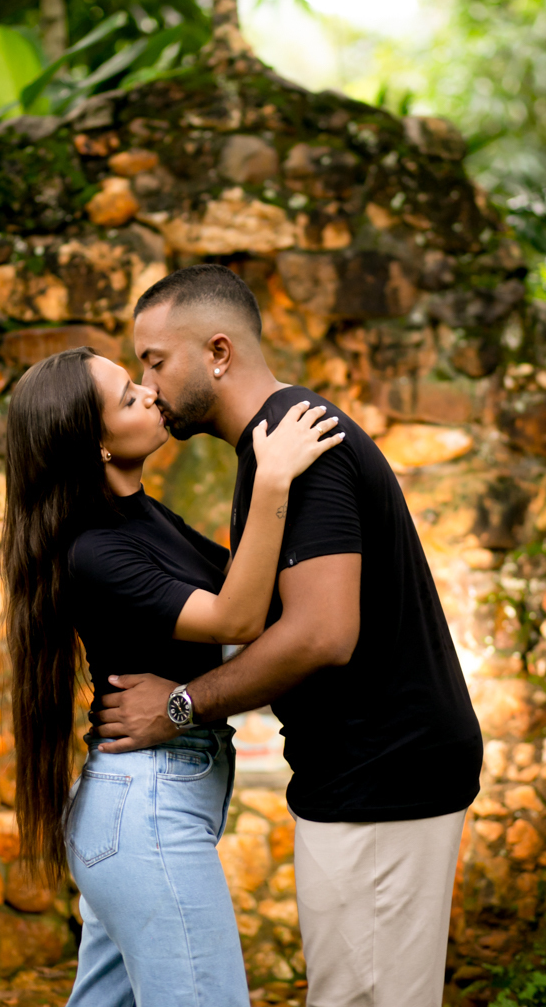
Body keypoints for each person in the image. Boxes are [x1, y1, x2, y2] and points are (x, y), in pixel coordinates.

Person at [91, 264, 484, 1007]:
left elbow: (321, 634)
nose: (149, 384)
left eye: (155, 361)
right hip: (366, 773)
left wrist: (179, 705)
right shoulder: (271, 454)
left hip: (383, 774)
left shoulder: (297, 442)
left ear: (218, 352)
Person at [1, 343, 343, 1007]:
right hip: (146, 810)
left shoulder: (143, 514)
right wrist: (271, 479)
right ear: (96, 447)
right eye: (128, 398)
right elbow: (236, 616)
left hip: (141, 806)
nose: (150, 393)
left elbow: (247, 582)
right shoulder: (96, 550)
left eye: (137, 382)